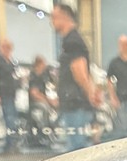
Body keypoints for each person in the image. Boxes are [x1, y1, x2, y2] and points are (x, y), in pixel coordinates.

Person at [51, 3, 101, 151]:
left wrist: (90, 94)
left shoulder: (72, 41)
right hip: (75, 103)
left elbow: (79, 71)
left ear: (65, 17)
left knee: (76, 148)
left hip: (75, 104)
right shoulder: (71, 40)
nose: (51, 21)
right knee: (78, 145)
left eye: (54, 17)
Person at [0, 39, 21, 151]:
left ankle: (13, 141)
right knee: (9, 118)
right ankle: (10, 142)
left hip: (12, 93)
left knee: (13, 117)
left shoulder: (11, 61)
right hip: (4, 93)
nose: (7, 50)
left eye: (9, 48)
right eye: (5, 47)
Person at [27, 56, 56, 146]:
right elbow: (34, 93)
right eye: (43, 64)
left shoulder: (43, 75)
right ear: (38, 65)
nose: (45, 66)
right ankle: (44, 133)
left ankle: (52, 131)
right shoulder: (34, 76)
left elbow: (52, 83)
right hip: (35, 102)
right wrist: (48, 101)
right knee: (45, 108)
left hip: (42, 100)